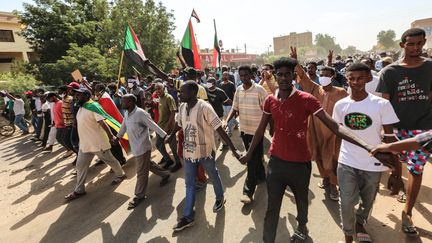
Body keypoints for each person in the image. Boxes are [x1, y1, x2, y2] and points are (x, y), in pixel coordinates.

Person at [239, 57, 396, 243]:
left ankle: (302, 227)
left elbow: (335, 126)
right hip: (276, 162)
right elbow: (260, 130)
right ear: (275, 75)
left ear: (293, 76)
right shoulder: (270, 101)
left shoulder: (307, 99)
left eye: (287, 74)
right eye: (279, 75)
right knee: (272, 207)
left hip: (300, 163)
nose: (283, 78)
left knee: (301, 202)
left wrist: (368, 145)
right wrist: (249, 154)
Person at [333, 63, 399, 243]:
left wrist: (396, 171)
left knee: (368, 200)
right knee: (346, 202)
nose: (355, 82)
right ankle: (347, 234)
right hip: (347, 161)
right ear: (346, 79)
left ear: (368, 78)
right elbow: (338, 133)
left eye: (360, 78)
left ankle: (360, 222)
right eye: (351, 78)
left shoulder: (382, 104)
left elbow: (390, 139)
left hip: (373, 164)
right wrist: (334, 159)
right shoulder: (340, 105)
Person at [376, 28, 432, 235]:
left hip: (422, 129)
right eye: (411, 44)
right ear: (402, 45)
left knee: (416, 170)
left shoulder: (430, 68)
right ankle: (398, 181)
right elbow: (385, 105)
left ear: (424, 43)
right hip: (398, 129)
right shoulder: (390, 72)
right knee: (396, 164)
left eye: (420, 44)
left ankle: (407, 212)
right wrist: (388, 133)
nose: (416, 48)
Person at [166, 81, 241, 232]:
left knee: (213, 175)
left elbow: (219, 130)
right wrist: (171, 134)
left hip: (205, 152)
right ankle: (188, 216)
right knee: (189, 183)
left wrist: (233, 150)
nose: (180, 95)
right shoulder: (181, 107)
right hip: (189, 152)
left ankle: (220, 198)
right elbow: (179, 124)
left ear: (193, 93)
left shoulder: (205, 107)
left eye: (183, 92)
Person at [291, 47, 348, 201]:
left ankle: (334, 186)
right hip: (315, 129)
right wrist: (295, 61)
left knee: (333, 158)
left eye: (326, 75)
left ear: (333, 76)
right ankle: (325, 179)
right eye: (321, 75)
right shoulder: (315, 88)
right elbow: (302, 76)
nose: (323, 77)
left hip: (333, 131)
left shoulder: (341, 92)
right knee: (318, 155)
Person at [64, 88, 126, 201]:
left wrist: (111, 136)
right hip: (85, 145)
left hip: (98, 143)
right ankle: (79, 190)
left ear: (87, 96)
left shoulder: (93, 106)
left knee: (110, 160)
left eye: (79, 95)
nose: (76, 97)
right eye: (76, 95)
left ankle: (121, 174)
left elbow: (103, 122)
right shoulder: (81, 107)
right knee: (80, 166)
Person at [116, 94, 170, 209]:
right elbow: (124, 125)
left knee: (141, 172)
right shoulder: (127, 113)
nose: (121, 103)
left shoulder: (140, 113)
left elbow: (153, 125)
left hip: (143, 147)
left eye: (123, 101)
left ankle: (139, 195)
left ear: (130, 102)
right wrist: (117, 137)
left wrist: (164, 135)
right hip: (135, 147)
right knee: (148, 165)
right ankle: (165, 174)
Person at [226, 65, 268, 205]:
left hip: (257, 132)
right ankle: (261, 176)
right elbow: (235, 107)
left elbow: (268, 111)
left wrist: (271, 128)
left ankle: (248, 192)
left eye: (246, 75)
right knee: (256, 156)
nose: (243, 78)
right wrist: (227, 120)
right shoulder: (238, 90)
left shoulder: (260, 90)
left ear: (251, 75)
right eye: (241, 75)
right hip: (244, 130)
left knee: (250, 159)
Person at [154, 82, 182, 172]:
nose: (157, 91)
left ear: (163, 88)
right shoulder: (159, 98)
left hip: (169, 127)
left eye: (159, 88)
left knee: (173, 146)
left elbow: (173, 112)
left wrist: (167, 126)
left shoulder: (168, 97)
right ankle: (168, 160)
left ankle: (178, 163)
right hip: (160, 126)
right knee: (158, 144)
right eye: (156, 89)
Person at [206, 77, 231, 149]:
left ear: (213, 84)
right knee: (220, 130)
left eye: (208, 83)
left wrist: (235, 108)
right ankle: (225, 143)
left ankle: (213, 152)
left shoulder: (220, 92)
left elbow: (227, 101)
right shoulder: (205, 90)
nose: (207, 84)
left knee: (216, 133)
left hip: (218, 114)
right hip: (208, 114)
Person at [219, 71, 238, 136]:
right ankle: (236, 123)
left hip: (230, 104)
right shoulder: (221, 84)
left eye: (226, 75)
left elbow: (235, 94)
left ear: (228, 76)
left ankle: (229, 131)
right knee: (228, 117)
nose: (225, 76)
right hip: (223, 104)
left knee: (229, 118)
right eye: (223, 75)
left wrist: (235, 103)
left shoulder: (231, 84)